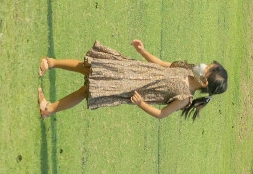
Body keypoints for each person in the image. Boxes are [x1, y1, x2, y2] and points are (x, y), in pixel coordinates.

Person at [36, 38, 227, 121]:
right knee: (91, 68)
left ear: (204, 82)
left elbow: (162, 114)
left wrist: (141, 104)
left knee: (88, 90)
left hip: (129, 86)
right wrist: (142, 51)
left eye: (207, 68)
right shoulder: (185, 69)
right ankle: (51, 62)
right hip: (131, 69)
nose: (202, 65)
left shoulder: (185, 97)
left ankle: (49, 109)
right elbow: (161, 63)